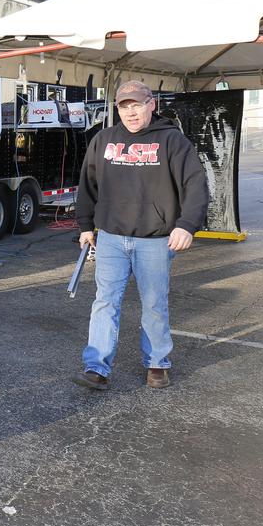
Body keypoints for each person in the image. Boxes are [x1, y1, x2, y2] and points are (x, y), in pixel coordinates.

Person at [72, 81, 208, 391]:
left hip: (155, 239)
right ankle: (96, 368)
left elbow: (195, 185)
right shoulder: (103, 140)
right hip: (110, 238)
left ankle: (157, 363)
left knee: (154, 303)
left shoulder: (172, 141)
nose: (131, 112)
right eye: (124, 106)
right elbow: (88, 185)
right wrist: (84, 227)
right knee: (104, 302)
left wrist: (186, 225)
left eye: (137, 104)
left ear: (152, 105)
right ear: (117, 108)